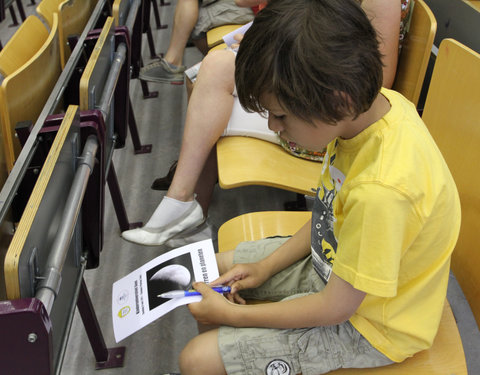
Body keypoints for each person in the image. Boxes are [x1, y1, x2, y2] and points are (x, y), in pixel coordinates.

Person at [175, 0, 461, 373]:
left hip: (372, 325)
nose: (275, 127)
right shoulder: (372, 112)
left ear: (336, 100)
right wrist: (264, 266)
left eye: (280, 115)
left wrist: (235, 316)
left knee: (195, 360)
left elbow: (336, 309)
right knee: (214, 276)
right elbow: (330, 213)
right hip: (336, 267)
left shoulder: (382, 190)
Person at [121, 0, 407, 247]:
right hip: (303, 87)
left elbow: (376, 81)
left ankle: (188, 208)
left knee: (208, 86)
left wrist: (285, 61)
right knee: (212, 71)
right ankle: (185, 202)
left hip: (324, 119)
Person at [139, 0, 255, 84]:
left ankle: (173, 62)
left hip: (251, 14)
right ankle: (173, 61)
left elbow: (242, 1)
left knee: (194, 80)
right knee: (194, 79)